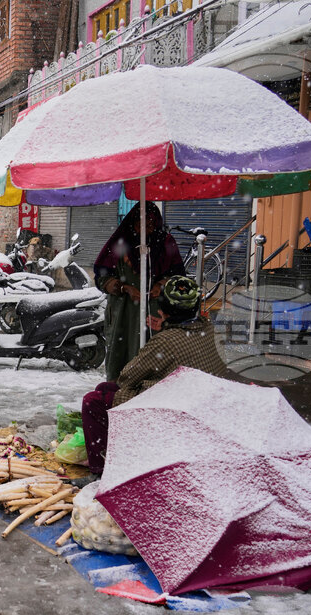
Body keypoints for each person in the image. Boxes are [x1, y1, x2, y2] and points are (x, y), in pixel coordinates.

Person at [80, 276, 228, 475]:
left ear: (163, 309)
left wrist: (164, 334)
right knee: (104, 389)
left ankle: (101, 471)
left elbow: (127, 377)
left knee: (93, 401)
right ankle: (120, 451)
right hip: (197, 399)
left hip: (172, 408)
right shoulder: (210, 329)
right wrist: (168, 327)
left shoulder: (166, 342)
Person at [94, 201, 186, 382]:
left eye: (151, 224)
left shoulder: (166, 243)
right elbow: (101, 278)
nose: (146, 229)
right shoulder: (119, 243)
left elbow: (178, 277)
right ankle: (120, 397)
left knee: (152, 360)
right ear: (132, 222)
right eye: (141, 224)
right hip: (123, 313)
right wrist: (123, 287)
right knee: (122, 358)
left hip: (154, 314)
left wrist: (161, 284)